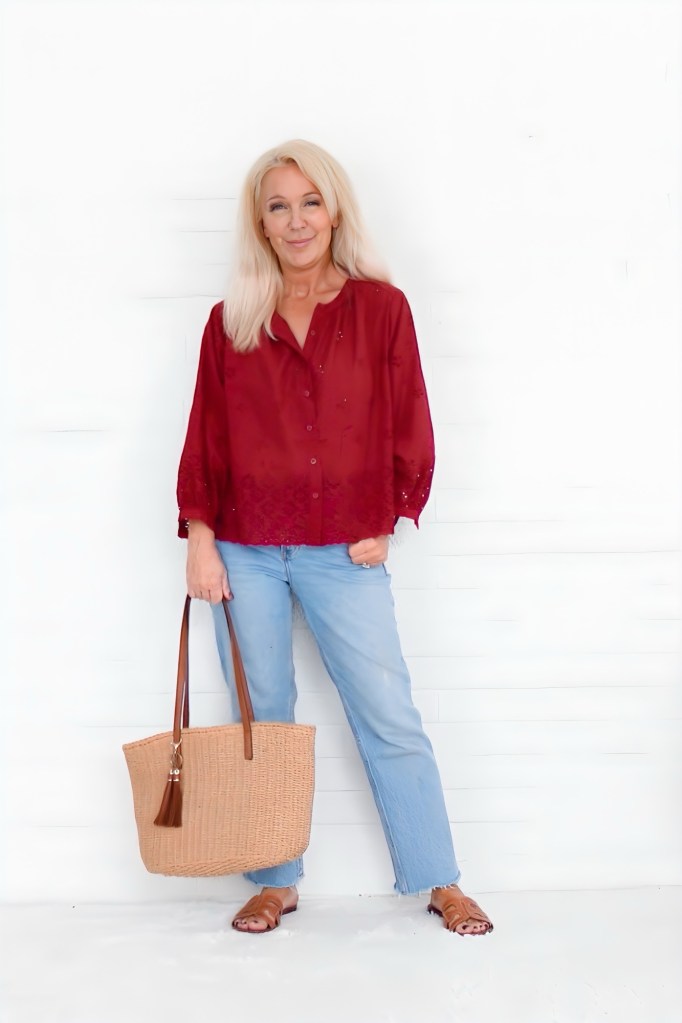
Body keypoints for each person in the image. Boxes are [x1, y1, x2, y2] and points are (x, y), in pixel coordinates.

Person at [176, 139, 493, 937]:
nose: (296, 220)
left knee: (389, 712)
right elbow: (205, 440)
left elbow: (411, 418)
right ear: (261, 220)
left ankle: (438, 877)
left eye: (309, 201)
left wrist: (387, 516)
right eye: (278, 205)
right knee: (265, 719)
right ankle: (275, 881)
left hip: (344, 551)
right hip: (244, 549)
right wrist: (201, 542)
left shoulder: (383, 309)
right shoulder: (230, 323)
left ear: (335, 208)